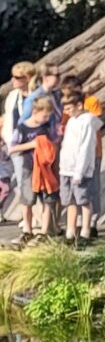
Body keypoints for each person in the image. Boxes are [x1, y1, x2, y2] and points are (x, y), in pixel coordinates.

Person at [59, 86, 102, 243]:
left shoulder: (87, 122)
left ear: (79, 105)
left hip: (80, 170)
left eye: (69, 108)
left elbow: (86, 148)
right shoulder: (71, 120)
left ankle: (85, 231)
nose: (66, 111)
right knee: (70, 201)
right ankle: (70, 232)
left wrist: (80, 171)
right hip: (66, 168)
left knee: (83, 200)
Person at [3, 62, 37, 237]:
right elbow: (9, 120)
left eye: (17, 77)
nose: (13, 80)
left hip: (36, 145)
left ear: (27, 78)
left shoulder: (37, 96)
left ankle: (46, 223)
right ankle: (28, 225)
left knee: (42, 184)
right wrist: (10, 142)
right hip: (18, 147)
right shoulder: (12, 96)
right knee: (24, 183)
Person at [28, 96, 59, 236]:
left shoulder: (46, 127)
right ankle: (36, 226)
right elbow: (13, 147)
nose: (47, 119)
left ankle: (46, 230)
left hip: (47, 170)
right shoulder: (26, 128)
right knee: (33, 200)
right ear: (35, 112)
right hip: (34, 170)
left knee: (49, 200)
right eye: (45, 116)